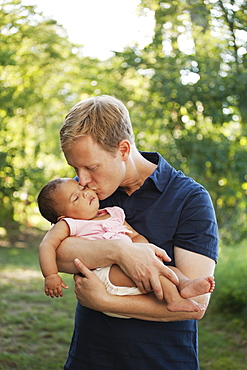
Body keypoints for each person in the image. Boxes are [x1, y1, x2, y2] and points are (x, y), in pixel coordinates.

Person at [56, 95, 218, 369]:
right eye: (76, 168)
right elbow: (57, 253)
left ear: (122, 149)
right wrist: (121, 251)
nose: (82, 180)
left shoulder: (190, 198)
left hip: (162, 361)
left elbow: (196, 303)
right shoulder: (84, 195)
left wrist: (104, 301)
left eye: (91, 167)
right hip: (89, 358)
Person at [37, 177, 214, 318]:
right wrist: (51, 275)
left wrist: (145, 251)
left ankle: (185, 284)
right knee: (156, 273)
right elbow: (48, 245)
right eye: (76, 198)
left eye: (82, 188)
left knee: (166, 269)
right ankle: (174, 299)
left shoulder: (113, 213)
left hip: (129, 266)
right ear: (63, 215)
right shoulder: (70, 223)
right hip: (106, 273)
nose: (84, 192)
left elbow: (134, 235)